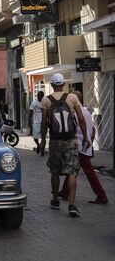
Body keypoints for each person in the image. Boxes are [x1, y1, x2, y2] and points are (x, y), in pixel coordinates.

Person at [39, 73, 90, 218]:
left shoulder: (45, 100)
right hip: (70, 140)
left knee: (55, 171)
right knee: (72, 172)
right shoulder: (72, 98)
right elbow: (80, 118)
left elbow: (44, 123)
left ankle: (55, 200)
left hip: (55, 141)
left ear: (52, 85)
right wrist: (85, 136)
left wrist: (43, 141)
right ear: (63, 83)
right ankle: (72, 205)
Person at [58, 91, 108, 204]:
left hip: (80, 146)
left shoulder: (76, 113)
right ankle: (65, 192)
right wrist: (89, 139)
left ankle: (101, 195)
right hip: (85, 145)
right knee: (73, 169)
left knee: (87, 171)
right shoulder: (86, 112)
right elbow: (93, 129)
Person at [28, 91, 45, 155]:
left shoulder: (44, 102)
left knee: (43, 137)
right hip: (36, 122)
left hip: (43, 122)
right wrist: (29, 122)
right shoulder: (34, 103)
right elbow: (30, 113)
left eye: (40, 95)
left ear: (43, 96)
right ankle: (38, 145)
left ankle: (42, 150)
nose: (39, 96)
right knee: (35, 137)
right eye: (38, 95)